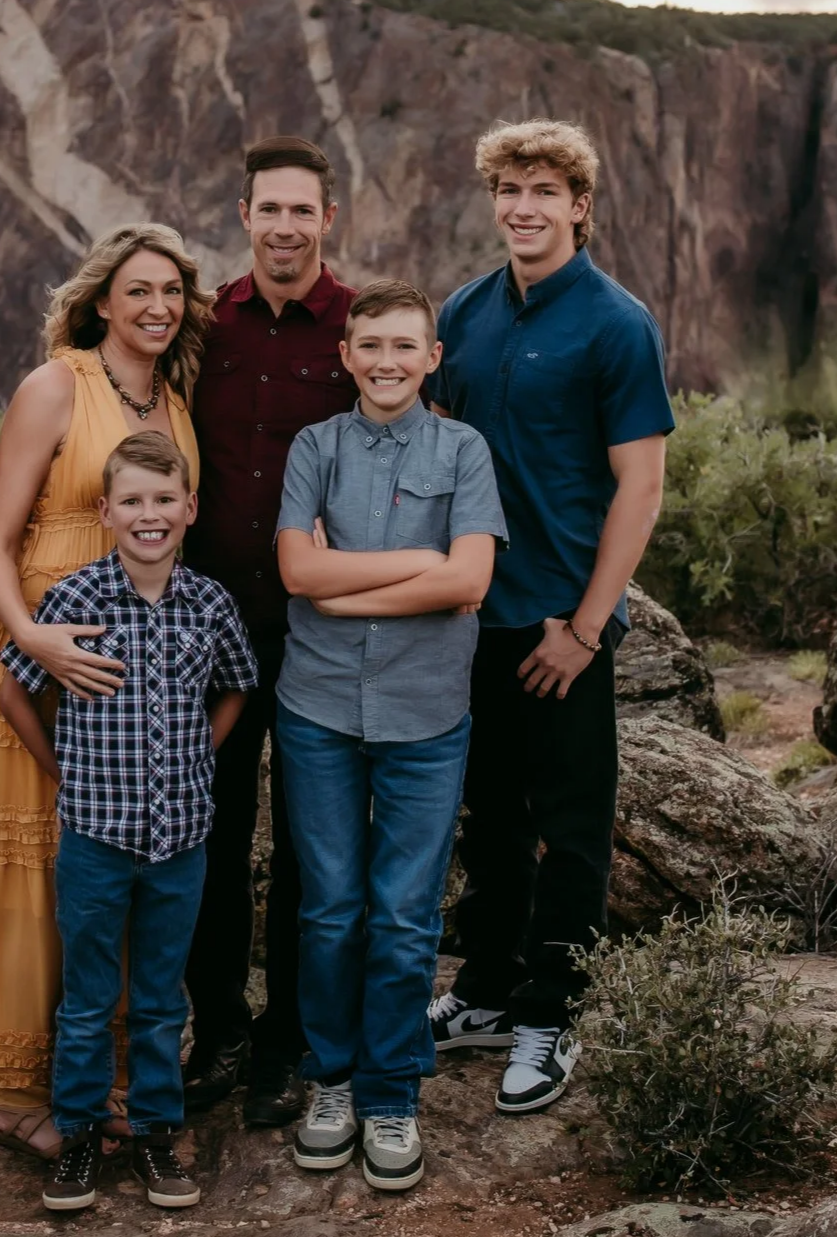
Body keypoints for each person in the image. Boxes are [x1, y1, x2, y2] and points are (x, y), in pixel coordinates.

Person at [0, 223, 215, 1160]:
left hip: (130, 684)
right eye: (138, 290)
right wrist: (29, 636)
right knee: (34, 879)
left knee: (113, 885)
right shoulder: (57, 386)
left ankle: (111, 1084)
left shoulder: (175, 402)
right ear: (101, 301)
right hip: (38, 661)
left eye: (171, 292)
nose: (157, 307)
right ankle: (20, 1097)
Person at [425, 120, 675, 1114]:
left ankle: (551, 1013)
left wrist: (584, 628)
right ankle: (487, 991)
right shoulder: (465, 311)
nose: (523, 207)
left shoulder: (616, 324)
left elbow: (641, 488)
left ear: (579, 205)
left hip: (560, 623)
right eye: (510, 189)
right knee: (489, 819)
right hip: (472, 616)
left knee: (570, 829)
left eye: (543, 190)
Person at [272, 280, 505, 1190]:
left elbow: (469, 582)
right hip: (318, 709)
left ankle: (390, 1095)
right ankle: (331, 1082)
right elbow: (297, 572)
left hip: (425, 713)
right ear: (345, 355)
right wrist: (417, 561)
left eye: (404, 346)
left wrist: (345, 582)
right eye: (369, 345)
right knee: (330, 911)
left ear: (431, 357)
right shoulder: (315, 447)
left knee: (405, 919)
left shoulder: (463, 449)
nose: (385, 362)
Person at [0, 431, 258, 1211]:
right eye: (133, 501)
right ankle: (78, 1134)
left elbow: (237, 684)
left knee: (158, 998)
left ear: (189, 508)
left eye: (164, 500)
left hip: (180, 841)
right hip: (95, 839)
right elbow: (13, 691)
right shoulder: (76, 599)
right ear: (106, 511)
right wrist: (60, 771)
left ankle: (153, 1133)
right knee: (86, 997)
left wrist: (201, 753)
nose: (150, 515)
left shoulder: (208, 603)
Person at [182, 135, 360, 1126]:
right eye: (269, 209)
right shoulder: (204, 326)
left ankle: (289, 1042)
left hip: (319, 633)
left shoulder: (359, 328)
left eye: (303, 210)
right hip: (209, 630)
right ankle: (218, 1031)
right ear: (243, 215)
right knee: (208, 836)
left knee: (308, 847)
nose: (285, 226)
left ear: (327, 219)